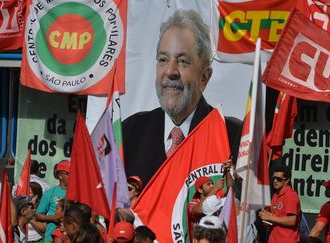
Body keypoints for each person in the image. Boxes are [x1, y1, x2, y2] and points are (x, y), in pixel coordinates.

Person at [122, 9, 242, 187]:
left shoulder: (233, 137)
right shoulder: (129, 132)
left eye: (183, 61)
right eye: (163, 59)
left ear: (204, 78)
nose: (170, 71)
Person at [258, 165, 301, 243]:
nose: (275, 181)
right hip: (273, 239)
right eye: (274, 178)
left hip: (287, 240)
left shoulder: (291, 195)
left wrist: (269, 217)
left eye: (279, 179)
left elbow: (292, 220)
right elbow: (275, 218)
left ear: (287, 180)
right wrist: (267, 221)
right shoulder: (276, 195)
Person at [35, 160, 70, 241]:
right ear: (60, 175)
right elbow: (37, 215)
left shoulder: (77, 193)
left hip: (70, 239)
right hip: (50, 239)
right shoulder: (50, 193)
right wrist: (53, 218)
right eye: (69, 173)